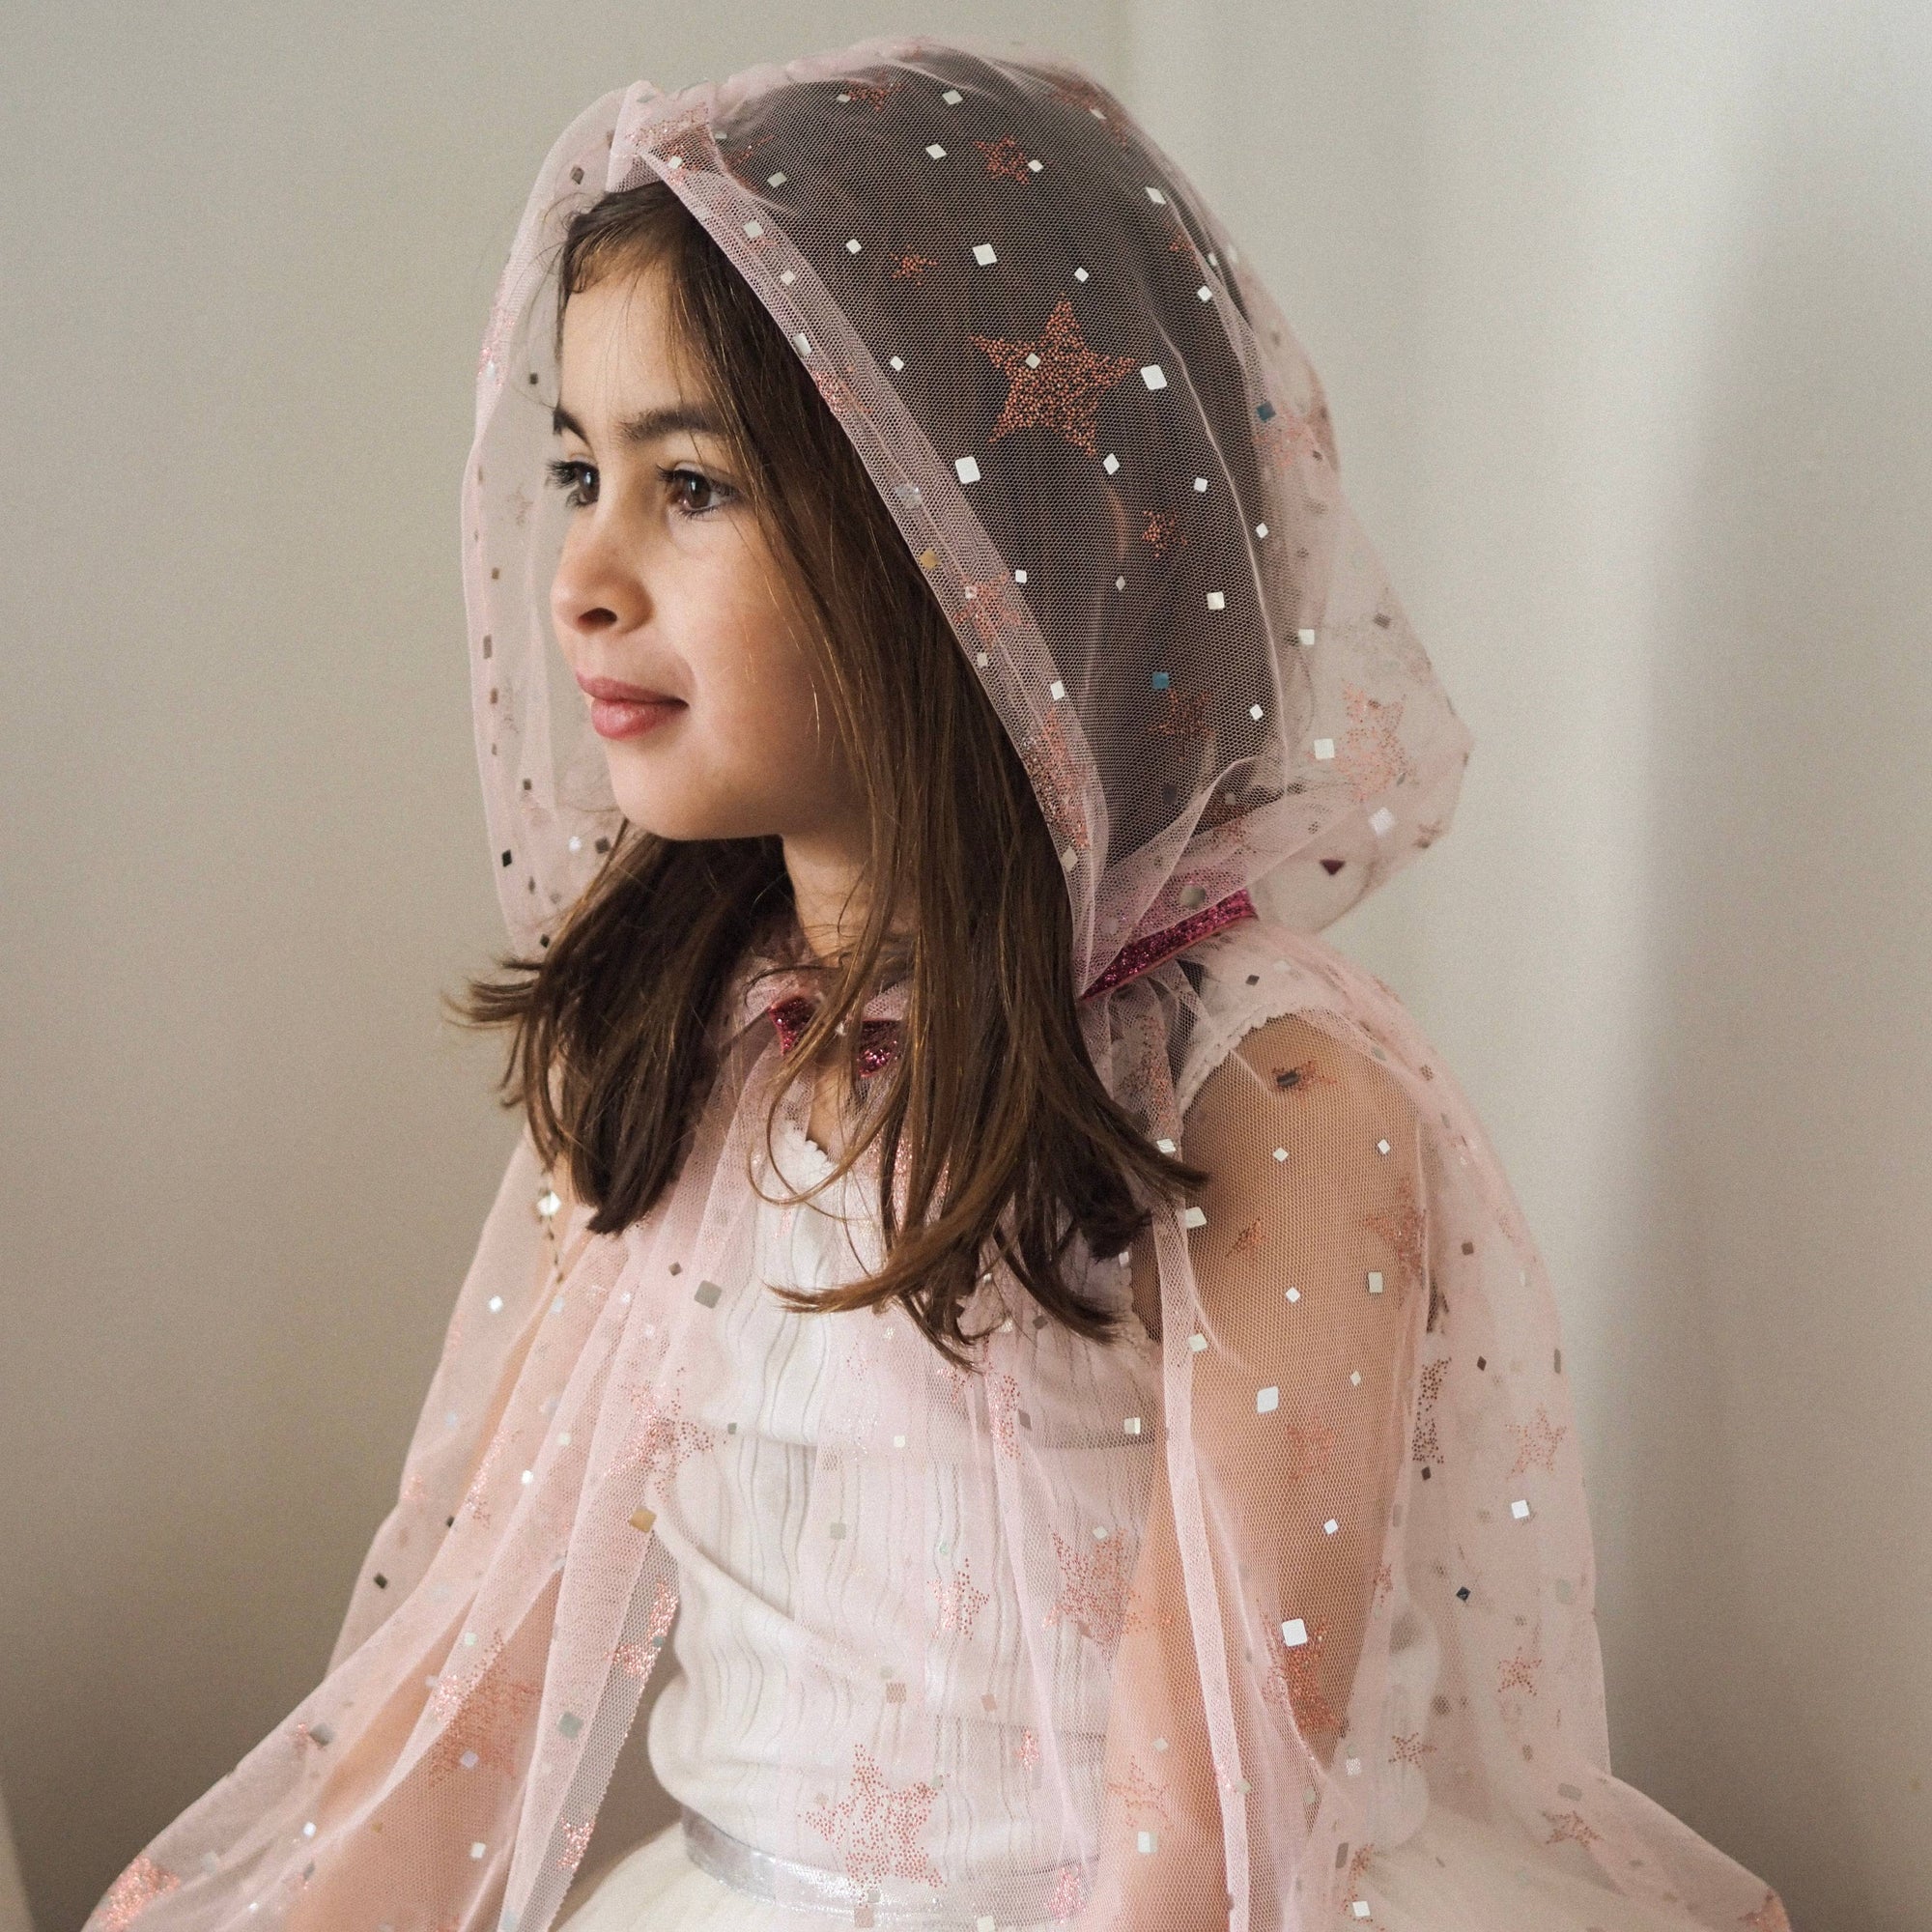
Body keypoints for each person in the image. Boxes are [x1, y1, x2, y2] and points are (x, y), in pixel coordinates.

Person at [86, 34, 1793, 1932]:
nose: (582, 573)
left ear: (971, 551)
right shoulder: (698, 1066)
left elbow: (1208, 1800)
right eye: (579, 470)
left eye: (694, 487)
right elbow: (467, 1680)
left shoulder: (1267, 1094)